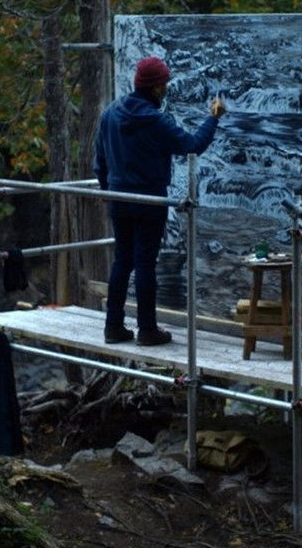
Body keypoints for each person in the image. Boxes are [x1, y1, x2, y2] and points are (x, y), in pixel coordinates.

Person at [94, 56, 226, 346]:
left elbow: (100, 160)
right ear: (154, 88)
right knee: (144, 264)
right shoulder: (155, 120)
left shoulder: (111, 113)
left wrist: (107, 189)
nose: (167, 88)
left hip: (119, 197)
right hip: (149, 200)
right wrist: (213, 118)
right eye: (164, 83)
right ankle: (147, 330)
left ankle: (113, 327)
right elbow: (192, 145)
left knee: (122, 262)